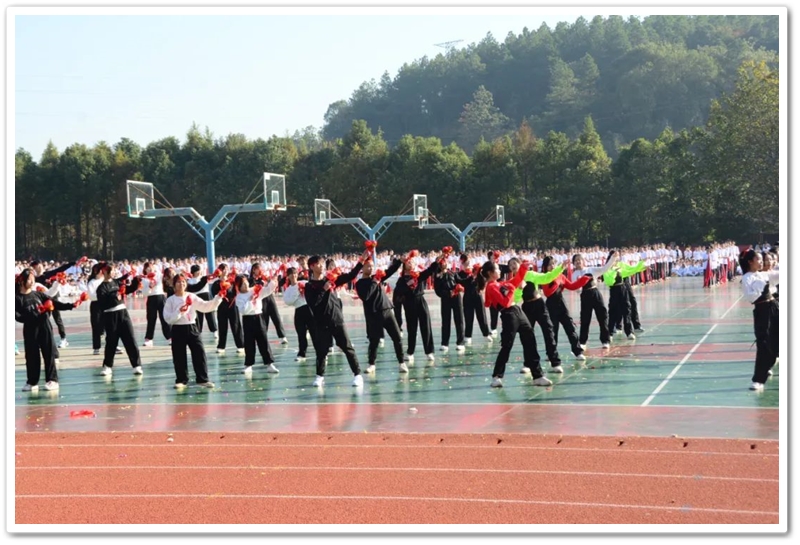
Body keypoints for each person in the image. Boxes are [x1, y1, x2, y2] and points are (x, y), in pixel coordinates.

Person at [479, 260, 552, 388]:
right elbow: (505, 303)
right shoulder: (491, 287)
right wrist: (514, 289)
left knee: (530, 341)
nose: (500, 271)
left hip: (518, 311)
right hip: (508, 315)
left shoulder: (500, 283)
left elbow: (516, 280)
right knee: (507, 346)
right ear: (490, 273)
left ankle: (537, 376)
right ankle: (497, 376)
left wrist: (523, 267)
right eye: (497, 269)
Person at [15, 268, 84, 392]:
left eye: (33, 279)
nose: (32, 282)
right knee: (31, 355)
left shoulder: (38, 294)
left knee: (49, 353)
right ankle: (32, 382)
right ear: (22, 281)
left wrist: (71, 305)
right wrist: (35, 313)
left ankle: (52, 380)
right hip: (30, 328)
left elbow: (54, 303)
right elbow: (17, 316)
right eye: (29, 280)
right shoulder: (17, 298)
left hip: (44, 326)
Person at [304, 253, 366, 387]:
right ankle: (319, 376)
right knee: (321, 351)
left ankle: (357, 375)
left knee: (347, 347)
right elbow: (313, 304)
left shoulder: (330, 279)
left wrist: (361, 261)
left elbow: (350, 276)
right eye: (318, 264)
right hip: (321, 322)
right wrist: (323, 289)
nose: (322, 266)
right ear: (312, 267)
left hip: (336, 319)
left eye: (322, 263)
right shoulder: (309, 286)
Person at [163, 274, 225, 389]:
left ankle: (202, 379)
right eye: (178, 282)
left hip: (192, 327)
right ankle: (181, 380)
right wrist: (179, 312)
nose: (181, 284)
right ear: (174, 285)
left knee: (199, 353)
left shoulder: (191, 296)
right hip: (178, 329)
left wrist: (218, 298)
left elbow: (206, 306)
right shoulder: (170, 300)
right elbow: (168, 318)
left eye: (183, 282)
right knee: (179, 355)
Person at [354, 253, 406, 374]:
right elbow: (366, 296)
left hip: (387, 310)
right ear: (362, 268)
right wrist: (374, 282)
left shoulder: (377, 277)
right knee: (374, 341)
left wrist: (399, 261)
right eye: (368, 266)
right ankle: (371, 364)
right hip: (374, 314)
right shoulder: (360, 283)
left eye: (372, 266)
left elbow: (390, 271)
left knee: (397, 337)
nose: (371, 268)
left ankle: (402, 362)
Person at [391, 250, 443, 365]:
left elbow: (429, 271)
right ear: (404, 265)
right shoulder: (401, 280)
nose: (411, 263)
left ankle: (429, 351)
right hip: (409, 304)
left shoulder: (418, 275)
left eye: (412, 262)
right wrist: (408, 285)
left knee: (426, 326)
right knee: (412, 329)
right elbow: (398, 293)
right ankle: (410, 352)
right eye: (408, 262)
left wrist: (437, 261)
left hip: (421, 301)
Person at [739, 248, 779, 391]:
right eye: (759, 259)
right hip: (762, 312)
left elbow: (777, 276)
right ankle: (758, 380)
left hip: (774, 308)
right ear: (750, 262)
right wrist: (760, 284)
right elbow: (751, 297)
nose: (762, 262)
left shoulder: (763, 274)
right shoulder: (747, 278)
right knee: (764, 344)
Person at [94, 263, 142, 377]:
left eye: (114, 270)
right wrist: (115, 294)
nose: (113, 272)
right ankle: (107, 366)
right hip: (110, 316)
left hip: (123, 313)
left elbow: (128, 289)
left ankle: (137, 365)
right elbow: (102, 304)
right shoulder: (101, 288)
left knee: (130, 339)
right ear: (105, 272)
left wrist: (136, 281)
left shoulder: (117, 282)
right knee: (111, 342)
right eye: (111, 270)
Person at [540, 255, 589, 361]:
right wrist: (556, 280)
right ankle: (551, 354)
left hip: (561, 304)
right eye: (549, 265)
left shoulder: (560, 276)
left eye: (553, 264)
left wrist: (584, 280)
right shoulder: (544, 277)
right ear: (545, 267)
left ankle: (577, 352)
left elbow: (571, 286)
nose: (552, 266)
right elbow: (548, 292)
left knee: (570, 327)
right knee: (553, 331)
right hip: (551, 306)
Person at [231, 274, 281, 376]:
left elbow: (267, 290)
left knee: (263, 340)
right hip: (248, 319)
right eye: (242, 284)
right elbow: (244, 310)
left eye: (246, 282)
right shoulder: (239, 297)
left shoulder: (254, 290)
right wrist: (251, 300)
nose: (245, 285)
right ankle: (248, 365)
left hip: (259, 317)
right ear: (238, 286)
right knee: (249, 342)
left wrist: (272, 281)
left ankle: (269, 364)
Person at [571, 252, 617, 350]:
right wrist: (580, 285)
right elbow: (575, 288)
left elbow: (604, 269)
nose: (578, 262)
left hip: (595, 293)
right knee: (585, 319)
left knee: (602, 317)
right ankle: (583, 342)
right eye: (576, 260)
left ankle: (605, 340)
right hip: (585, 296)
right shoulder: (574, 275)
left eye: (579, 259)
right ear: (573, 263)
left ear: (583, 261)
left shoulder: (591, 270)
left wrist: (612, 258)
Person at [433, 249, 466, 354]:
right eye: (442, 262)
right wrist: (448, 293)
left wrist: (471, 278)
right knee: (445, 321)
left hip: (456, 297)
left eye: (445, 262)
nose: (444, 264)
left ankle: (460, 342)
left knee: (459, 320)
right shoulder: (437, 276)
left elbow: (461, 281)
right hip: (446, 299)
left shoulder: (453, 273)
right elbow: (437, 290)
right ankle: (444, 343)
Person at [250, 262, 289, 345]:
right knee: (264, 319)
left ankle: (282, 336)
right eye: (258, 269)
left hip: (270, 298)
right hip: (261, 300)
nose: (260, 270)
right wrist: (260, 284)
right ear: (254, 270)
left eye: (261, 268)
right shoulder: (251, 280)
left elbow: (274, 284)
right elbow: (252, 288)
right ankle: (263, 337)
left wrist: (273, 280)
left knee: (276, 316)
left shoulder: (265, 277)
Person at [456, 254, 492, 346]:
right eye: (465, 263)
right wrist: (471, 277)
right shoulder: (460, 274)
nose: (467, 265)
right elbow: (461, 281)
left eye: (468, 263)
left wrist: (477, 275)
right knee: (468, 317)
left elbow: (484, 281)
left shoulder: (477, 271)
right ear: (462, 264)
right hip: (467, 297)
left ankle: (486, 333)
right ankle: (468, 336)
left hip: (477, 296)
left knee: (482, 315)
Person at [210, 263, 245, 355]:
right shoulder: (216, 283)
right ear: (219, 271)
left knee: (236, 326)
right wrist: (221, 291)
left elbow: (240, 285)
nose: (225, 271)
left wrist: (237, 274)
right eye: (223, 269)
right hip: (221, 307)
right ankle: (221, 346)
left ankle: (241, 346)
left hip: (233, 306)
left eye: (226, 269)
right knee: (222, 326)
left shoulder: (232, 281)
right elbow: (214, 295)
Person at [282, 267, 315, 362]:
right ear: (288, 276)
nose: (293, 275)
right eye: (291, 274)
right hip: (299, 310)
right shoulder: (288, 289)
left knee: (314, 333)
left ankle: (321, 353)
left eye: (295, 273)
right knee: (301, 334)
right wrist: (297, 292)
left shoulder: (304, 283)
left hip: (308, 309)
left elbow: (313, 290)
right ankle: (302, 354)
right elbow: (288, 301)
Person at [140, 261, 171, 347]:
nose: (150, 269)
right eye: (147, 268)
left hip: (161, 297)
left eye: (151, 267)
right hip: (151, 299)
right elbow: (145, 293)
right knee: (151, 319)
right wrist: (150, 286)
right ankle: (149, 339)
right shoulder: (144, 279)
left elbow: (167, 276)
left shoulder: (159, 275)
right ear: (145, 270)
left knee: (164, 318)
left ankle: (170, 337)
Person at [188, 264, 218, 339]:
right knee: (198, 316)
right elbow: (194, 288)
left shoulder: (204, 278)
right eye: (197, 271)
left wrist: (216, 274)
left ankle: (214, 331)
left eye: (199, 271)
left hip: (206, 296)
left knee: (210, 314)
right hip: (196, 298)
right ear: (193, 272)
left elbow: (214, 279)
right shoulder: (190, 281)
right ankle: (198, 331)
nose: (199, 272)